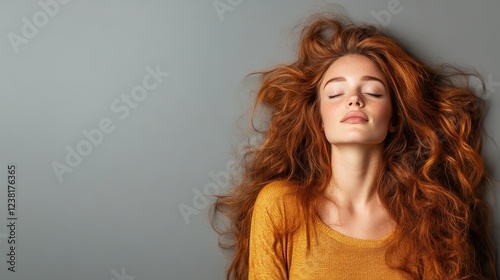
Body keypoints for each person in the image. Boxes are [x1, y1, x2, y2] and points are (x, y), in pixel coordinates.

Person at [211, 13, 497, 280]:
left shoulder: (428, 221)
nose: (354, 99)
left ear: (394, 119)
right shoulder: (280, 206)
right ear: (320, 121)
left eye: (373, 91)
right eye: (335, 93)